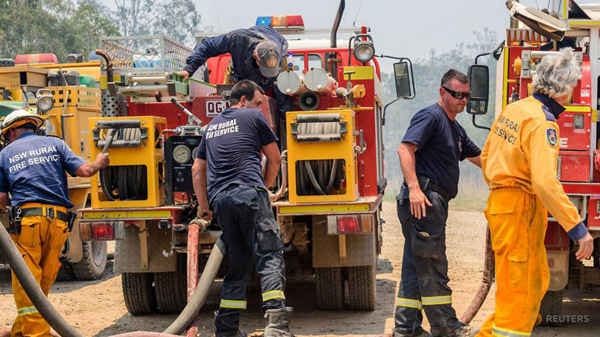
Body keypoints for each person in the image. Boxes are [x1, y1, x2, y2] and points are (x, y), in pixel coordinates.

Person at [477, 50, 594, 337]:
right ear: (564, 88)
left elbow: (487, 155)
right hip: (518, 208)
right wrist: (578, 229)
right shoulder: (542, 123)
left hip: (507, 204)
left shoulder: (515, 110)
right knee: (519, 293)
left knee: (534, 282)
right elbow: (544, 182)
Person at [191, 79, 291, 337]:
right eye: (258, 102)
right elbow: (275, 157)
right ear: (244, 100)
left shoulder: (210, 127)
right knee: (269, 255)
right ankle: (276, 326)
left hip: (220, 200)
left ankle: (226, 328)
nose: (261, 107)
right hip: (249, 194)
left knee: (238, 262)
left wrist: (204, 208)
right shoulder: (253, 117)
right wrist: (265, 190)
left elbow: (197, 169)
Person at [0, 109, 109, 337]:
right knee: (41, 286)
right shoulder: (56, 145)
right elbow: (85, 170)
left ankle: (38, 335)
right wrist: (99, 162)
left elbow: (1, 199)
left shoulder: (5, 154)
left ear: (12, 132)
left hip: (28, 223)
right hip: (59, 224)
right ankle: (20, 331)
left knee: (27, 285)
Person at [393, 69, 481, 337]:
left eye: (466, 96)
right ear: (443, 92)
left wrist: (511, 171)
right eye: (456, 94)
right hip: (424, 201)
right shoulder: (431, 116)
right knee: (432, 263)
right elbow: (405, 149)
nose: (462, 100)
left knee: (414, 264)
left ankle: (406, 328)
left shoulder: (454, 127)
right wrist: (415, 189)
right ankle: (446, 327)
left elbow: (479, 158)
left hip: (434, 200)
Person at [180, 25, 287, 90]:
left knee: (281, 90)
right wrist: (189, 69)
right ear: (256, 56)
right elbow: (207, 45)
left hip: (267, 82)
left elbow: (282, 90)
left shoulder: (279, 51)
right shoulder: (238, 40)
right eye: (262, 67)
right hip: (240, 72)